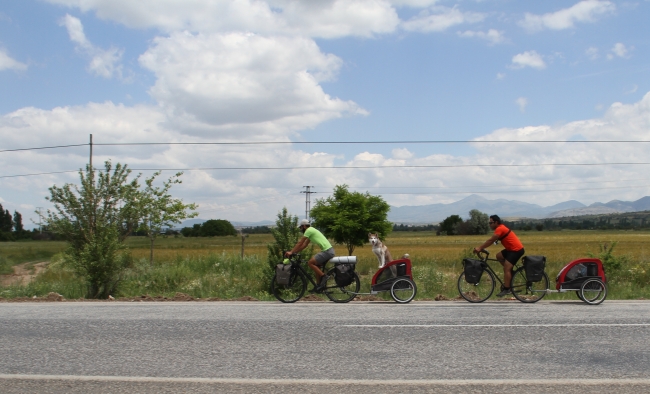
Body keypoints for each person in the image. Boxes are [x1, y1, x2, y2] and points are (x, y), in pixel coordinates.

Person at [473, 215, 524, 297]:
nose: (489, 225)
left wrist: (480, 248)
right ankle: (510, 273)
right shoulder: (500, 228)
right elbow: (492, 242)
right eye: (489, 223)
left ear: (496, 222)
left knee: (506, 268)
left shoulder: (500, 229)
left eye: (491, 223)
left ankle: (507, 289)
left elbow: (491, 240)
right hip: (510, 249)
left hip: (516, 250)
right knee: (499, 256)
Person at [285, 219, 335, 292]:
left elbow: (300, 243)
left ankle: (324, 276)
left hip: (327, 251)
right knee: (316, 266)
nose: (301, 229)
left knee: (310, 263)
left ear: (304, 226)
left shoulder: (309, 230)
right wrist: (294, 252)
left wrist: (291, 252)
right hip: (328, 251)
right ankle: (318, 287)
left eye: (301, 227)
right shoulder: (311, 231)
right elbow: (304, 245)